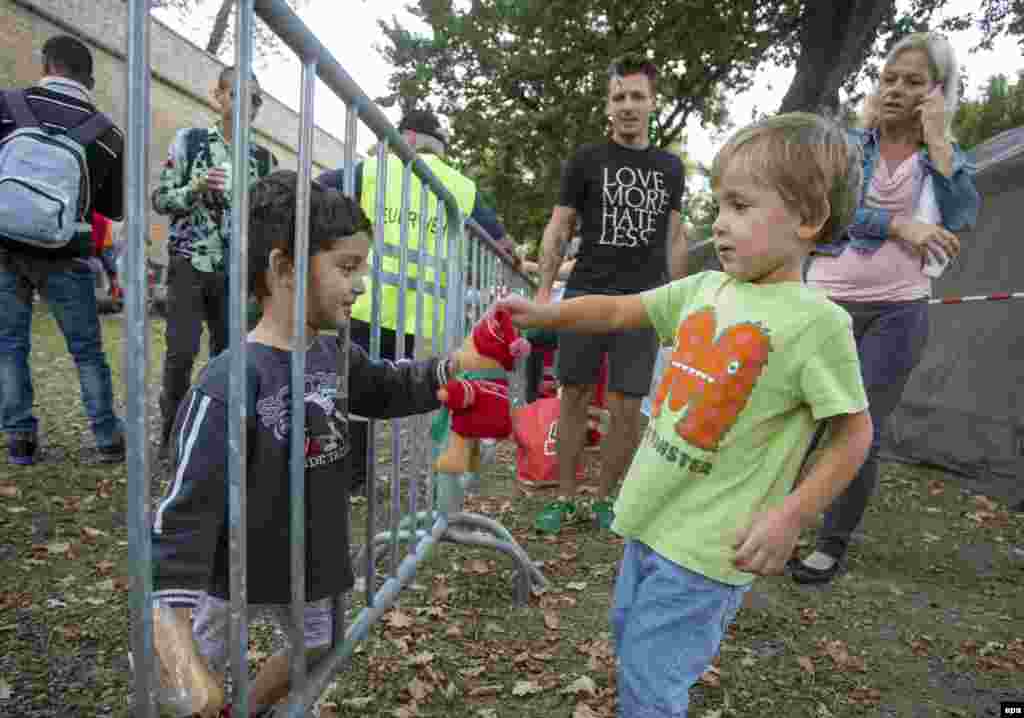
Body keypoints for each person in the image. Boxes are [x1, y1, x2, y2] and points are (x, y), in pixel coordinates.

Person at [497, 112, 874, 718]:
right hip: (652, 516)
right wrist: (547, 314)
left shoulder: (818, 324)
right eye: (719, 204)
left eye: (741, 206)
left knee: (651, 681)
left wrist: (790, 515)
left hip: (708, 546)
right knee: (630, 642)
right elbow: (621, 312)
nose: (719, 224)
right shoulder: (704, 289)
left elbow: (854, 436)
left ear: (807, 217)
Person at [151, 171, 471, 715]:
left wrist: (455, 368)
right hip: (234, 571)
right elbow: (182, 518)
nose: (361, 284)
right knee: (203, 669)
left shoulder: (333, 356)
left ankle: (249, 708)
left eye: (362, 267)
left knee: (319, 643)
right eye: (347, 267)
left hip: (312, 562)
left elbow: (389, 387)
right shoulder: (228, 386)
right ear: (282, 269)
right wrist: (180, 656)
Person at [789, 32, 980, 585]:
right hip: (826, 302)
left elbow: (961, 218)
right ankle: (768, 518)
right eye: (890, 78)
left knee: (857, 424)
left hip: (899, 310)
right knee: (797, 417)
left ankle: (831, 542)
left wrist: (940, 143)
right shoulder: (849, 147)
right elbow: (828, 214)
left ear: (936, 92)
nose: (897, 89)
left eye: (913, 81)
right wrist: (900, 225)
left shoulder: (944, 158)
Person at [532, 55, 688, 532]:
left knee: (626, 405)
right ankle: (563, 498)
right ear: (608, 105)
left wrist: (676, 308)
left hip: (644, 303)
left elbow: (676, 237)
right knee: (574, 395)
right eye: (619, 96)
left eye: (637, 96)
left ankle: (605, 500)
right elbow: (559, 227)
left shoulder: (670, 167)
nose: (627, 105)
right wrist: (543, 294)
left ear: (652, 103)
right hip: (586, 295)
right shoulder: (586, 160)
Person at [316, 108, 507, 487]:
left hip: (364, 298)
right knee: (377, 389)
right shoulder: (460, 186)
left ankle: (348, 474)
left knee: (346, 386)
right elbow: (500, 241)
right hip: (413, 311)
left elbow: (320, 186)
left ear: (407, 137)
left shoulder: (374, 170)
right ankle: (354, 475)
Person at [0, 35, 125, 465]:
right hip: (65, 254)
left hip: (4, 247)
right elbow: (114, 208)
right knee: (86, 351)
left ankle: (19, 440)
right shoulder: (107, 134)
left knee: (9, 345)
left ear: (45, 64)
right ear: (89, 78)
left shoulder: (7, 104)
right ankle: (107, 437)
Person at [152, 65, 277, 459]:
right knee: (182, 352)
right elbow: (161, 199)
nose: (249, 103)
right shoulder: (189, 142)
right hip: (190, 260)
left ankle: (218, 438)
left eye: (256, 96)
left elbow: (266, 220)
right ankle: (171, 438)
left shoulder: (263, 158)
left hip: (236, 271)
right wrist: (197, 186)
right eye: (239, 93)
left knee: (229, 355)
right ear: (218, 96)